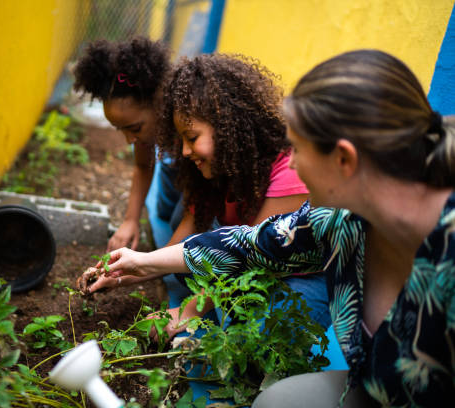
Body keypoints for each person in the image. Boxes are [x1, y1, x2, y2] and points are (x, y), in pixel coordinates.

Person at [93, 49, 455, 406]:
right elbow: (252, 243)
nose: (292, 163)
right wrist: (144, 263)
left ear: (344, 159)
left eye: (297, 149)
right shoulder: (341, 220)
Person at [79, 54, 330, 341]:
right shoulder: (220, 169)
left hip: (296, 276)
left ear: (226, 127)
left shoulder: (286, 169)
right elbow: (186, 233)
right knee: (186, 267)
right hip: (248, 261)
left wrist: (188, 311)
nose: (184, 152)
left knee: (262, 332)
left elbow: (254, 257)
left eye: (192, 138)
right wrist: (123, 274)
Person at [73, 36, 180, 252]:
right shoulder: (146, 127)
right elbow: (142, 166)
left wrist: (158, 262)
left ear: (159, 104)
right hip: (173, 172)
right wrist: (130, 220)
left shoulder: (185, 122)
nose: (129, 140)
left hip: (200, 186)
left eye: (135, 129)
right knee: (164, 212)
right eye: (121, 130)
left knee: (179, 223)